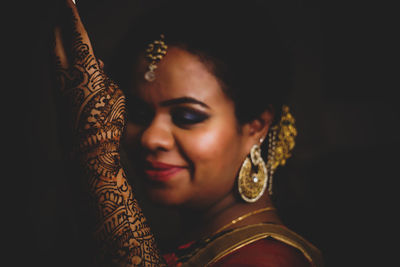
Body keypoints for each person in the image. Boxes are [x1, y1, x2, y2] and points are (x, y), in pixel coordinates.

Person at [52, 0, 323, 266]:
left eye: (187, 117)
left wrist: (95, 155)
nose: (150, 138)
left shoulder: (266, 260)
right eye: (138, 114)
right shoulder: (187, 247)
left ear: (256, 126)